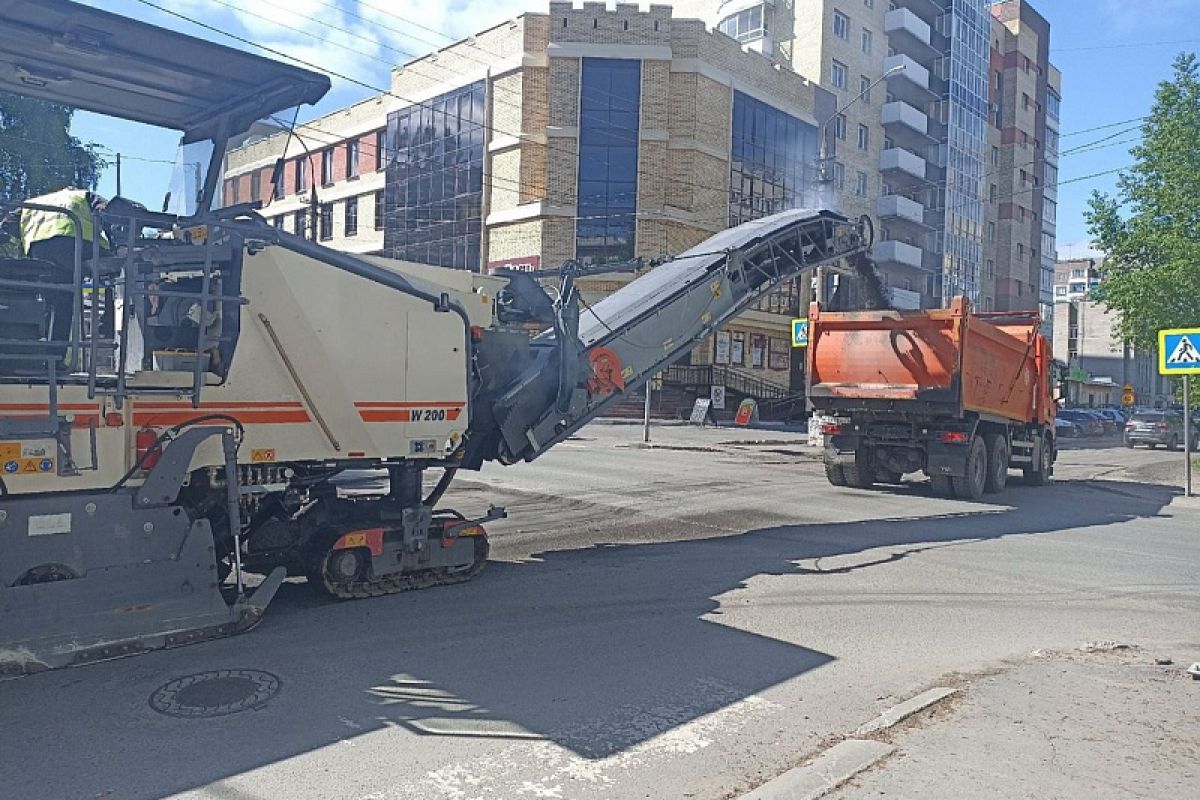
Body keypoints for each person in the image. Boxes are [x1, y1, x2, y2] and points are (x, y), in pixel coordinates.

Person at [18, 189, 111, 365]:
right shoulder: (83, 195)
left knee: (48, 301)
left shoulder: (33, 203)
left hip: (39, 250)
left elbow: (6, 225)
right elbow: (107, 211)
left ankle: (41, 357)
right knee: (65, 302)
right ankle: (55, 359)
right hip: (73, 244)